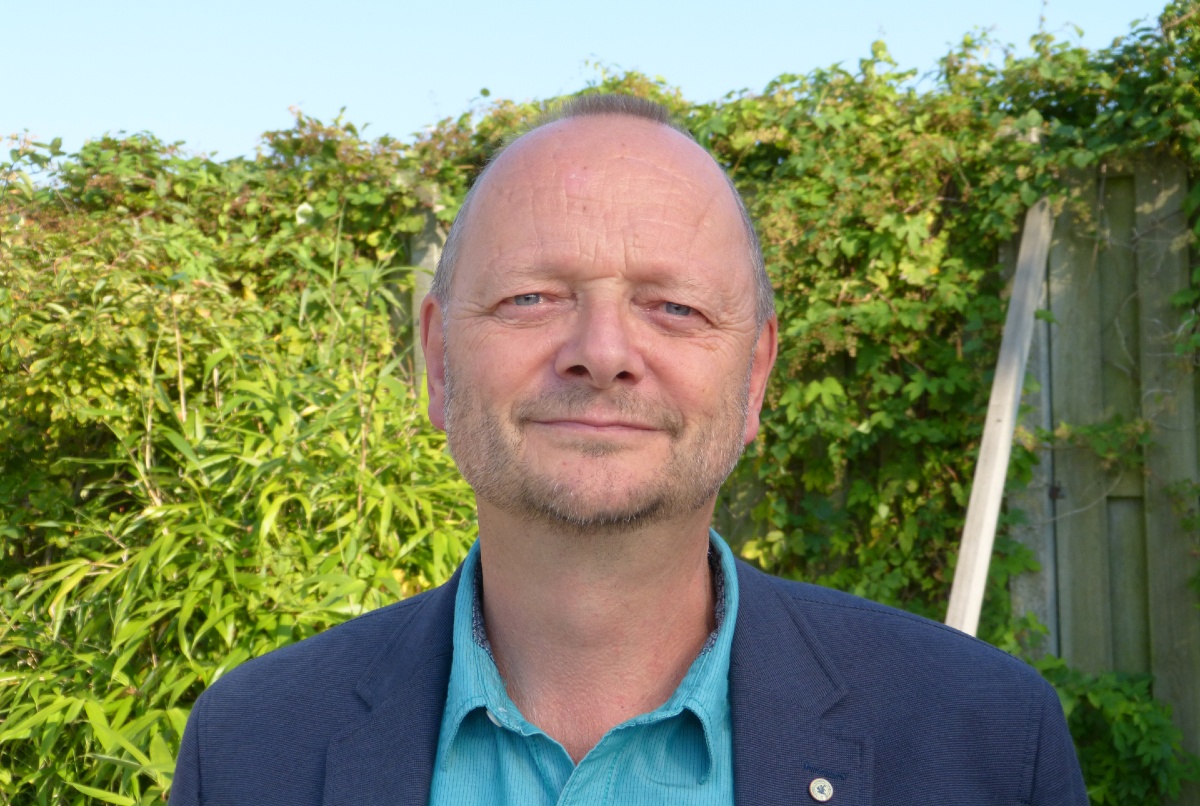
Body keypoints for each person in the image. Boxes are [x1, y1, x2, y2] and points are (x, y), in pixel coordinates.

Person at [169, 94, 1087, 805]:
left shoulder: (988, 742)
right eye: (532, 298)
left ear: (754, 377)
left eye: (674, 306)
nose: (602, 353)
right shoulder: (248, 749)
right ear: (438, 362)